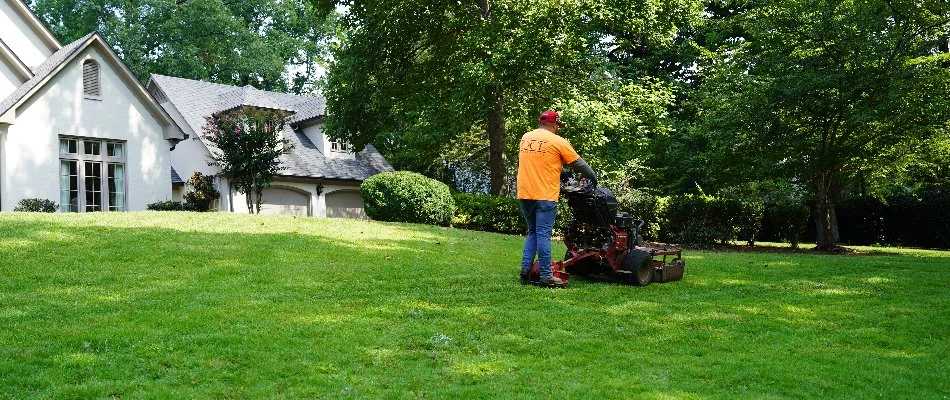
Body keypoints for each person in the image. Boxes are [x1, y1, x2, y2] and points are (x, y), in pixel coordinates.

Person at [517, 109, 597, 287]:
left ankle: (525, 269)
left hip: (524, 192)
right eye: (557, 126)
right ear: (554, 125)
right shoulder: (557, 141)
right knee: (544, 234)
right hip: (545, 194)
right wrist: (593, 176)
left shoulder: (526, 137)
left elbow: (539, 163)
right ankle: (546, 275)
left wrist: (560, 171)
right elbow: (579, 164)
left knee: (533, 232)